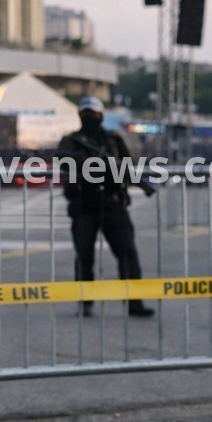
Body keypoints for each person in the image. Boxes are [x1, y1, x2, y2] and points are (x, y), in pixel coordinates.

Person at [57, 96, 155, 318]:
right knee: (84, 257)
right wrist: (86, 161)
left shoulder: (112, 140)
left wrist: (111, 169)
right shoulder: (72, 140)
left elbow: (126, 166)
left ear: (101, 115)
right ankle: (86, 302)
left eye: (93, 113)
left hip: (113, 204)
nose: (90, 117)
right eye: (86, 114)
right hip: (84, 206)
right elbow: (61, 157)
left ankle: (134, 303)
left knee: (128, 254)